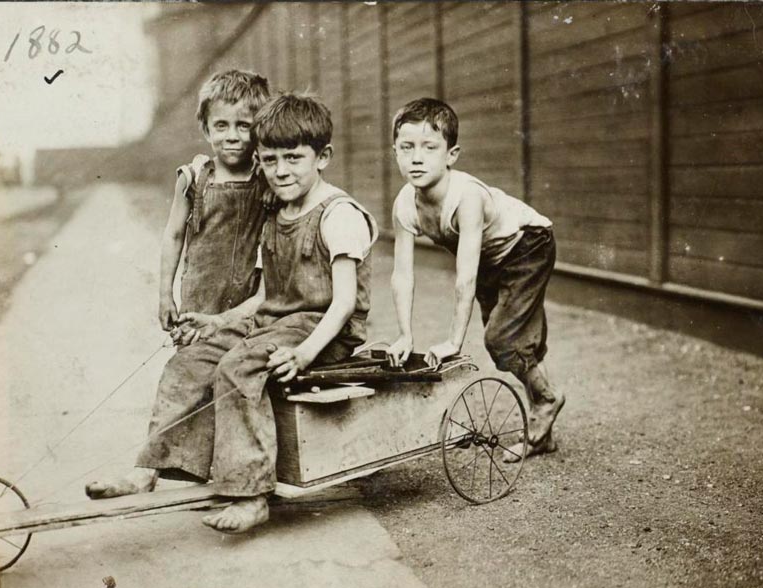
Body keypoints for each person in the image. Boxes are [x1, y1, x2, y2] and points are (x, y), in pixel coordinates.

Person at [87, 93, 377, 535]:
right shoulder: (277, 212)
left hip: (322, 330)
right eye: (271, 159)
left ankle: (251, 492)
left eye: (295, 159)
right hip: (276, 321)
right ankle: (149, 468)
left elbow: (343, 303)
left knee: (237, 366)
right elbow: (267, 294)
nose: (281, 171)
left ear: (323, 157)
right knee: (190, 361)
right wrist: (219, 322)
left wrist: (303, 353)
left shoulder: (338, 214)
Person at [385, 97, 564, 460]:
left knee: (501, 338)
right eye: (407, 148)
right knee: (513, 341)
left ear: (451, 155)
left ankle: (547, 400)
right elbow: (402, 275)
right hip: (490, 260)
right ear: (395, 152)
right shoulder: (404, 205)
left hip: (528, 245)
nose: (416, 158)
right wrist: (406, 334)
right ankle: (543, 430)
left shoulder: (466, 197)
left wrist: (453, 341)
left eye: (429, 148)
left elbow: (464, 278)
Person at [158, 68, 271, 346]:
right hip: (200, 298)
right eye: (221, 125)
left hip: (246, 300)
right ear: (207, 129)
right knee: (193, 367)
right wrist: (164, 294)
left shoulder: (267, 180)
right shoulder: (193, 177)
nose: (232, 136)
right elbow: (173, 236)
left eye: (243, 125)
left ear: (259, 130)